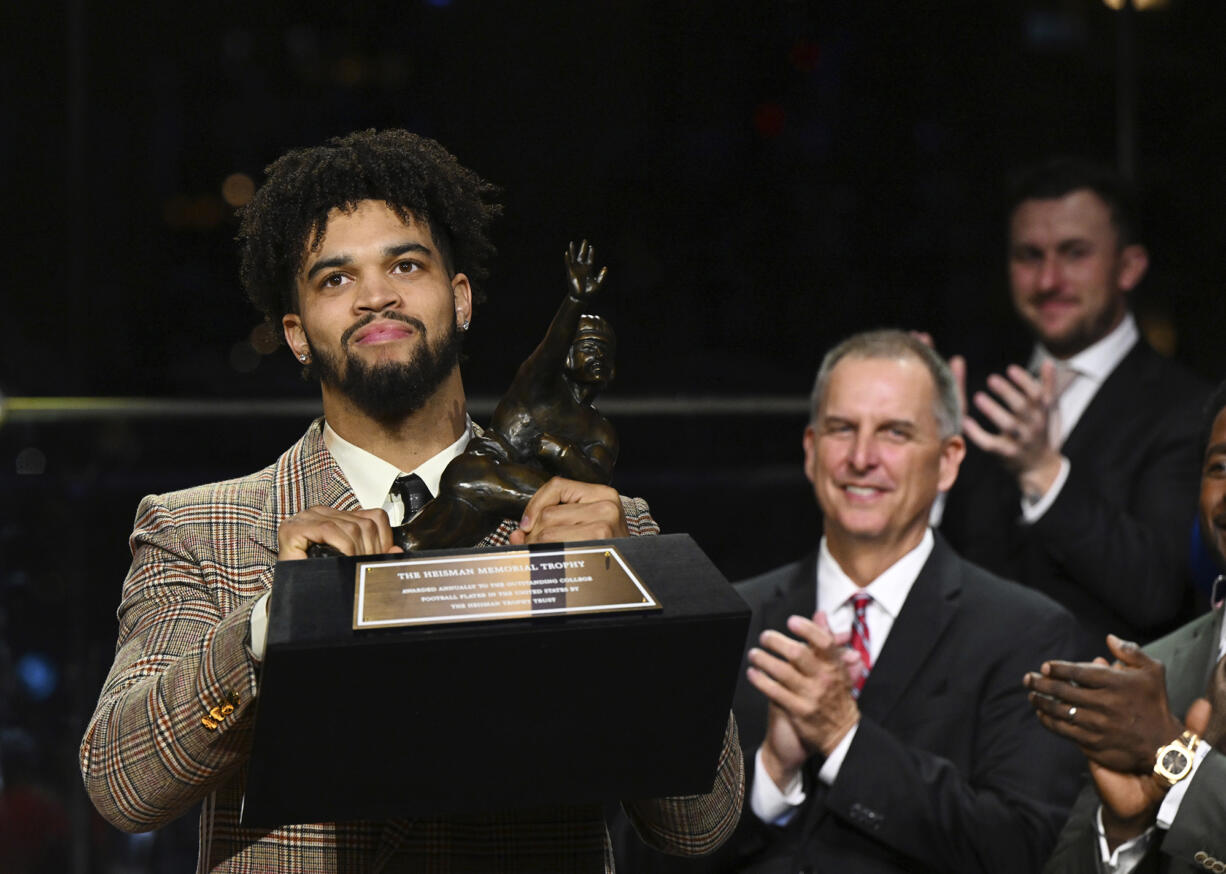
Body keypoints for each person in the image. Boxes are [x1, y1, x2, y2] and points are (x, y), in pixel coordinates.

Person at [78, 129, 743, 873]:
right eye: (335, 279)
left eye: (406, 263)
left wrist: (626, 596)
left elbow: (701, 824)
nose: (375, 296)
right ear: (296, 335)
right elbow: (123, 784)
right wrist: (276, 620)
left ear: (460, 300)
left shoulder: (597, 525)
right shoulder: (200, 529)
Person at [617, 329, 1084, 873]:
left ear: (949, 460)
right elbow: (636, 856)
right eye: (842, 429)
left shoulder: (1027, 632)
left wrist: (845, 738)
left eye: (894, 433)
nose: (862, 458)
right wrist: (770, 773)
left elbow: (1021, 849)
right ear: (812, 452)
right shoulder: (724, 622)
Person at [941, 157, 1208, 657]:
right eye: (1028, 256)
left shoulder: (1188, 408)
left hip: (1099, 722)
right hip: (965, 715)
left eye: (1074, 253)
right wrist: (921, 458)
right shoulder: (979, 397)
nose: (1048, 280)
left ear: (1129, 266)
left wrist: (1043, 471)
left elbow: (1157, 595)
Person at [1026, 380, 1226, 873]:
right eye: (1220, 468)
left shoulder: (1149, 721)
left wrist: (1169, 754)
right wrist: (1122, 834)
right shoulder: (1157, 668)